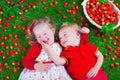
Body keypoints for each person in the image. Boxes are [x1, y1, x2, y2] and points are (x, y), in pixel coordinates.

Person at [41, 23, 107, 80]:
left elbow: (100, 56)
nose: (62, 39)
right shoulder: (66, 53)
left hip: (97, 75)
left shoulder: (86, 44)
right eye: (60, 38)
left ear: (77, 35)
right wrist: (48, 49)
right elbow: (58, 62)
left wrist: (96, 68)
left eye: (65, 35)